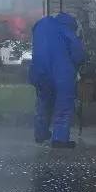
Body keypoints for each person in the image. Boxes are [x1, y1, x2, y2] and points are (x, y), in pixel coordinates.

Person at [29, 12, 85, 148]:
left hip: (39, 71)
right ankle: (59, 139)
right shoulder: (67, 30)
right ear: (71, 24)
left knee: (44, 102)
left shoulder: (41, 25)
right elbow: (78, 54)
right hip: (61, 73)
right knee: (64, 105)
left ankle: (40, 134)